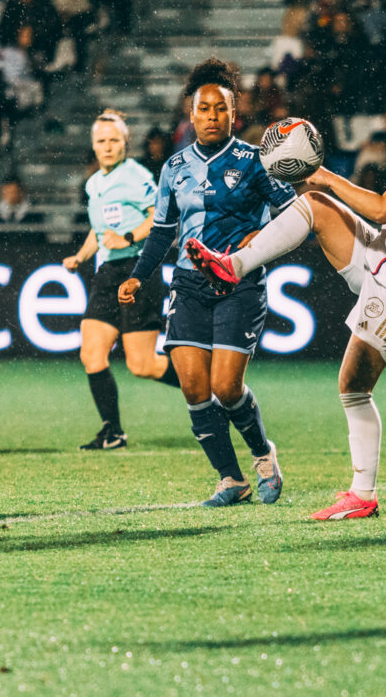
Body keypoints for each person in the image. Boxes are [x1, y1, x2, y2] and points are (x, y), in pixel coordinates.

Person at [186, 68, 386, 520]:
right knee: (314, 207)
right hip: (384, 259)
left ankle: (362, 495)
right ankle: (234, 265)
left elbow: (385, 208)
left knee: (353, 387)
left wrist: (325, 175)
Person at [117, 58, 295, 507]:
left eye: (221, 109)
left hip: (239, 283)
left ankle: (262, 454)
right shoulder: (174, 166)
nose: (212, 116)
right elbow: (162, 231)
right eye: (204, 109)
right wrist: (138, 277)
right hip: (189, 284)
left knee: (226, 388)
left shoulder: (255, 162)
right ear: (190, 114)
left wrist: (256, 238)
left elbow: (292, 215)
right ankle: (230, 480)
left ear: (234, 115)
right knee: (194, 387)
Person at [63, 110, 180, 450]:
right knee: (91, 354)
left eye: (115, 140)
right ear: (93, 145)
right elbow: (100, 232)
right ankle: (112, 431)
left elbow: (160, 219)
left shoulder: (136, 176)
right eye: (101, 141)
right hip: (108, 272)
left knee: (142, 364)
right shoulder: (94, 183)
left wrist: (128, 238)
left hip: (138, 270)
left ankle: (205, 390)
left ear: (126, 142)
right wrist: (81, 256)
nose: (108, 147)